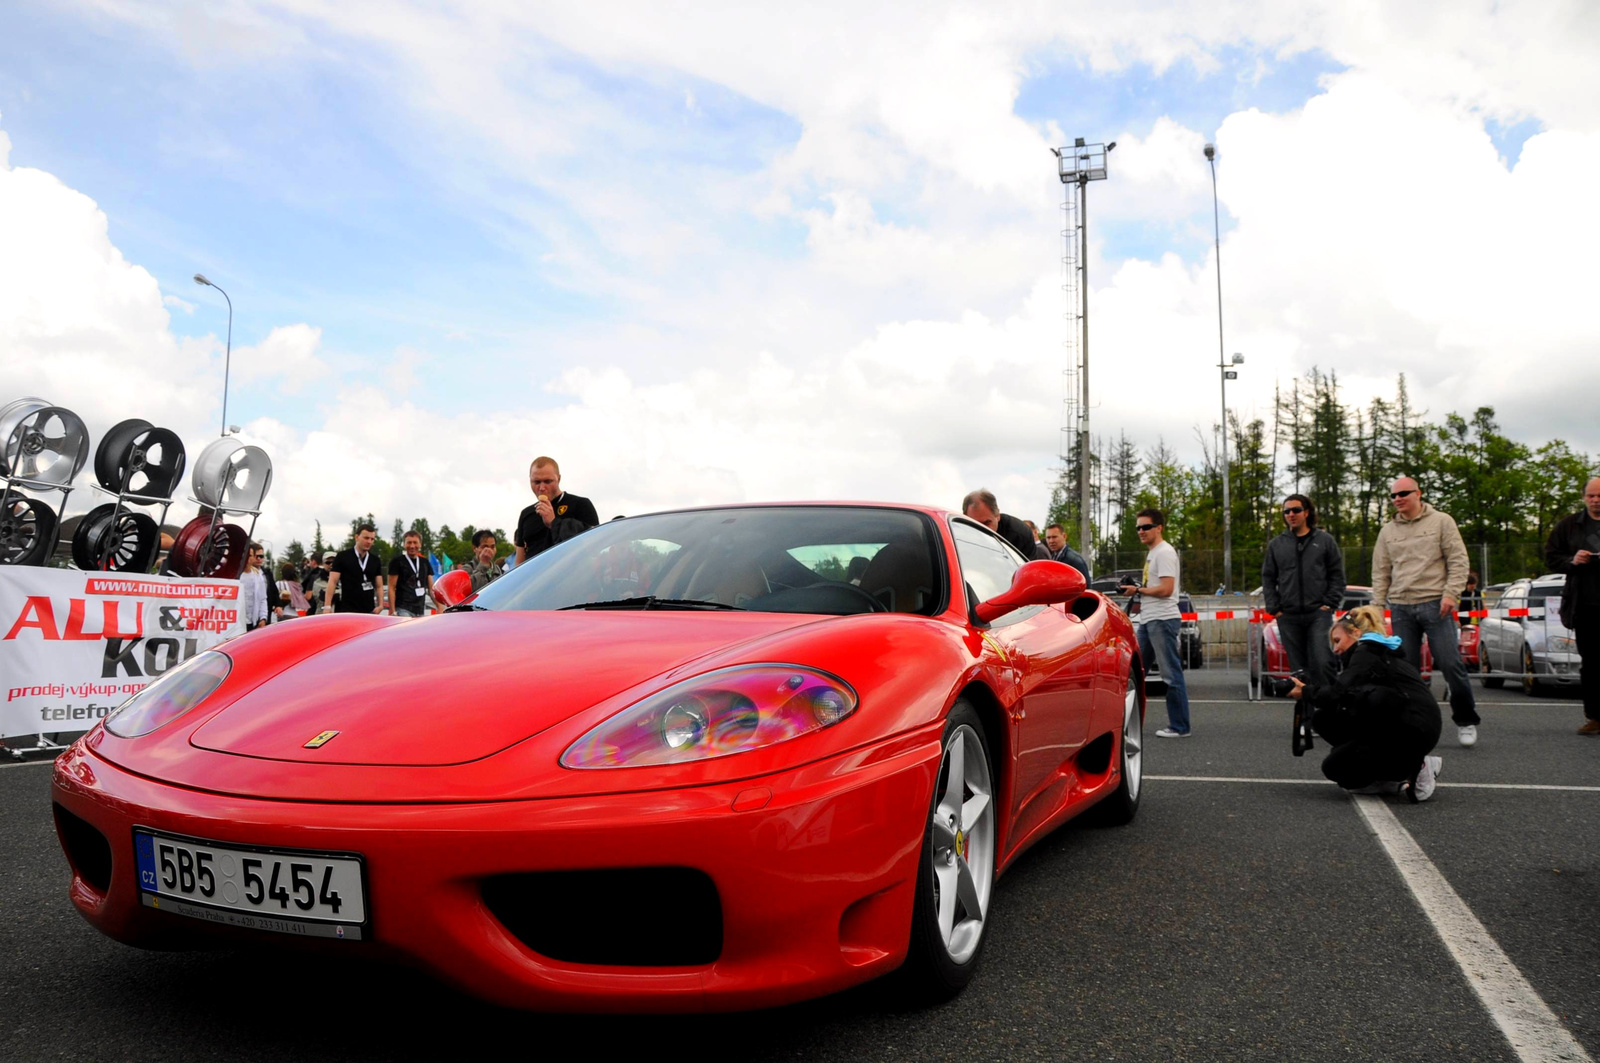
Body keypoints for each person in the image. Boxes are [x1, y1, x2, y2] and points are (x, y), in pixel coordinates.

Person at [1289, 605, 1444, 801]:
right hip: (1410, 724)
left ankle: (1418, 765)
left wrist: (1305, 691)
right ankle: (1384, 777)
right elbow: (1350, 697)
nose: (1335, 649)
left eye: (1337, 641)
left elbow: (1339, 693)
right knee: (1325, 720)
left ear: (1356, 633)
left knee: (1335, 765)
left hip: (1414, 729)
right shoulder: (1377, 651)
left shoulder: (1367, 651)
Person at [1371, 477, 1481, 747]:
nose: (1398, 499)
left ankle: (1465, 720)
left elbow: (1458, 559)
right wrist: (1377, 605)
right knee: (1405, 671)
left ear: (1418, 494)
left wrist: (1451, 594)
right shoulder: (1387, 531)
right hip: (1400, 606)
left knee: (1451, 664)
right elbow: (1381, 570)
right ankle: (1411, 723)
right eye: (1393, 495)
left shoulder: (1442, 521)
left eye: (1404, 493)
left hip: (1436, 604)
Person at [1261, 493, 1346, 687]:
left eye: (1296, 510)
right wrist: (1275, 608)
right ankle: (1306, 715)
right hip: (1288, 616)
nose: (1291, 514)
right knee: (1299, 673)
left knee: (1322, 662)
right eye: (1287, 511)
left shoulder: (1324, 541)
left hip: (1318, 614)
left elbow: (1337, 575)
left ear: (1306, 512)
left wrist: (1329, 603)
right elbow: (1268, 577)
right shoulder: (1276, 545)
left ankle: (1330, 710)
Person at [1121, 507, 1190, 737]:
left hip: (1162, 619)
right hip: (1151, 619)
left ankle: (1180, 726)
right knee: (1137, 672)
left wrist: (1138, 589)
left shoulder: (1164, 552)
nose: (1141, 531)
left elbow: (1167, 589)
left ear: (1159, 528)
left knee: (1170, 674)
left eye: (1146, 527)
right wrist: (1137, 591)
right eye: (1138, 527)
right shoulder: (1153, 553)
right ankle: (1128, 724)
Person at [1545, 476, 1600, 735]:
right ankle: (1595, 717)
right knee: (1591, 664)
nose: (1596, 500)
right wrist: (1572, 560)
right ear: (1583, 497)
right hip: (1585, 607)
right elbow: (1551, 558)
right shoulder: (1569, 526)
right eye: (1591, 496)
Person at [514, 457, 599, 565]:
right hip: (537, 578)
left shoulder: (580, 504)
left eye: (548, 481)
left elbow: (595, 545)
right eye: (536, 482)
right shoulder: (526, 514)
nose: (542, 487)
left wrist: (554, 522)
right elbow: (519, 562)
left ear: (558, 479)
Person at [961, 489, 1047, 560]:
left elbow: (1028, 571)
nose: (981, 529)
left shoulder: (1020, 534)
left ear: (997, 516)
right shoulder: (957, 535)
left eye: (987, 523)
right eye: (974, 524)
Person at [326, 525, 385, 614]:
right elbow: (333, 581)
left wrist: (381, 605)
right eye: (366, 538)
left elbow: (379, 585)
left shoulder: (375, 560)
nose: (369, 542)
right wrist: (327, 606)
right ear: (357, 537)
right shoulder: (342, 556)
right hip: (348, 610)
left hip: (370, 610)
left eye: (372, 539)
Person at [387, 530, 434, 617]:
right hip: (402, 609)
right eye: (409, 543)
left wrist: (440, 607)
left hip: (420, 610)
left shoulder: (425, 562)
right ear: (404, 544)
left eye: (415, 542)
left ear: (420, 544)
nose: (412, 546)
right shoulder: (397, 562)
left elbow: (431, 589)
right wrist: (392, 611)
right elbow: (391, 588)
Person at [239, 542, 271, 630]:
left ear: (253, 558)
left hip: (252, 623)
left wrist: (263, 618)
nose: (247, 558)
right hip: (237, 622)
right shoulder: (236, 575)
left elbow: (262, 598)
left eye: (249, 555)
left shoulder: (258, 576)